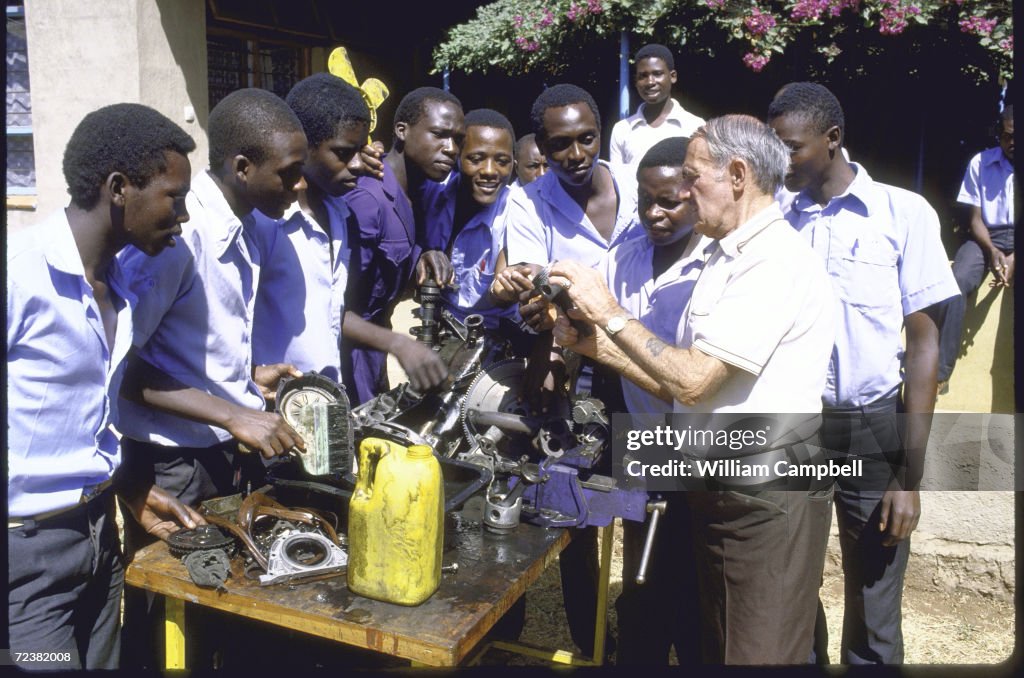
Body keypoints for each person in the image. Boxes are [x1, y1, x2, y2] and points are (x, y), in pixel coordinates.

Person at [551, 115, 836, 664]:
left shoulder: (771, 261)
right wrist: (592, 344)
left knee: (758, 654)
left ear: (736, 174)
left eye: (691, 175)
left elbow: (694, 380)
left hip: (763, 500)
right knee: (720, 645)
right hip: (717, 491)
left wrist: (607, 313)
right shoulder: (725, 256)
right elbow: (678, 378)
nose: (681, 191)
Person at [115, 89, 309, 669]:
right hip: (170, 459)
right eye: (289, 174)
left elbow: (188, 346)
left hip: (217, 449)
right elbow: (122, 364)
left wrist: (246, 381)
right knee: (166, 621)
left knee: (216, 610)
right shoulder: (180, 237)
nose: (299, 186)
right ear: (242, 168)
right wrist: (231, 412)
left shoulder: (246, 226)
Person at [767, 82, 959, 664]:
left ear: (833, 139)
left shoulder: (902, 214)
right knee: (788, 582)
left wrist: (910, 476)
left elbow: (923, 348)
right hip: (794, 427)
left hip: (871, 428)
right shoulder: (775, 220)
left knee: (874, 593)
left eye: (792, 149)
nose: (780, 163)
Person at [7, 103, 204, 670]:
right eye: (174, 196)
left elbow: (80, 416)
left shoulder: (118, 287)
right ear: (120, 188)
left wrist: (127, 486)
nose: (184, 216)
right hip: (27, 557)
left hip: (98, 538)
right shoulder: (19, 275)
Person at [602, 137, 708, 666]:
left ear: (697, 194)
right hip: (643, 445)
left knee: (695, 587)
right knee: (643, 577)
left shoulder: (721, 263)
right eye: (645, 200)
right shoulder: (623, 256)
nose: (654, 213)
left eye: (669, 202)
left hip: (705, 450)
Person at [340, 86, 461, 404]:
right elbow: (331, 308)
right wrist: (399, 344)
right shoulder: (368, 199)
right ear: (402, 131)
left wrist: (423, 254)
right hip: (346, 365)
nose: (451, 149)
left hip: (372, 357)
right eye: (439, 134)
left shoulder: (414, 193)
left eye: (457, 139)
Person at [250, 73, 370, 383]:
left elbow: (331, 313)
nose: (357, 164)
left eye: (361, 150)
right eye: (343, 153)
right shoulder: (265, 223)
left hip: (321, 402)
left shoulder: (341, 216)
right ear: (304, 146)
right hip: (267, 406)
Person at [937, 105, 1015, 391]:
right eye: (1008, 136)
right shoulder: (980, 163)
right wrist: (993, 251)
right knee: (956, 281)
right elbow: (975, 220)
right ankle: (941, 373)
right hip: (985, 237)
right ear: (999, 134)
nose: (1013, 143)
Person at [608, 43, 704, 171]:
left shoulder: (694, 126)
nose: (650, 82)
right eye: (643, 76)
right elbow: (618, 181)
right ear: (636, 81)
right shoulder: (622, 130)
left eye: (657, 74)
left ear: (673, 76)